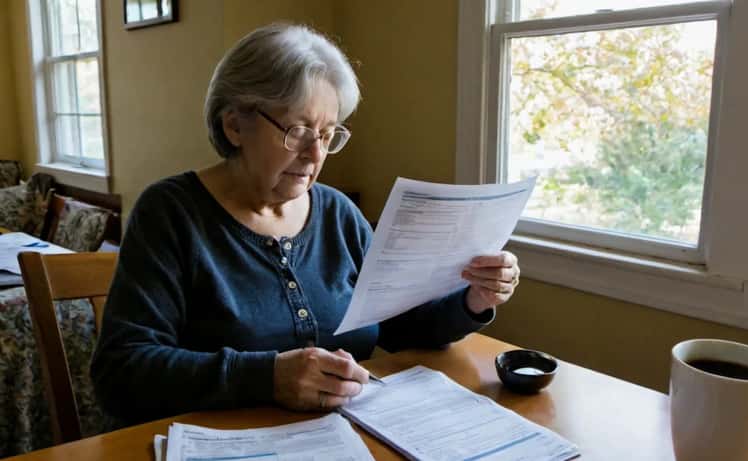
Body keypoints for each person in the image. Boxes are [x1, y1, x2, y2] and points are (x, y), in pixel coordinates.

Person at [90, 23, 521, 423]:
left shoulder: (337, 214)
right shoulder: (170, 214)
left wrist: (474, 299)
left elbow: (402, 327)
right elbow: (121, 372)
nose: (315, 154)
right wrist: (268, 377)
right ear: (235, 125)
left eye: (329, 134)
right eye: (298, 130)